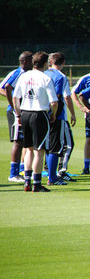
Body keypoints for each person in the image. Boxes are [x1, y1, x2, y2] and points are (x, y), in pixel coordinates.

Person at [13, 52, 58, 192]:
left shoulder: (24, 76)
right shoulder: (46, 78)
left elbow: (15, 98)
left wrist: (19, 114)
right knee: (39, 151)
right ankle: (37, 184)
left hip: (25, 113)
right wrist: (53, 114)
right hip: (39, 115)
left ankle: (27, 182)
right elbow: (54, 102)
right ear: (45, 63)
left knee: (28, 149)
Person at [44, 52, 77, 185]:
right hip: (56, 115)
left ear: (51, 61)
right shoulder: (61, 77)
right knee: (57, 146)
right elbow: (63, 97)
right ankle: (53, 177)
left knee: (44, 146)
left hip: (41, 113)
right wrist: (73, 114)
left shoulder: (44, 73)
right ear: (63, 63)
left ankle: (41, 175)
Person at [1, 51, 33, 183]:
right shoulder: (18, 73)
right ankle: (13, 173)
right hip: (16, 112)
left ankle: (21, 169)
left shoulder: (26, 74)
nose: (33, 62)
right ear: (25, 62)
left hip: (24, 111)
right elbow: (5, 87)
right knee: (18, 141)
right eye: (31, 60)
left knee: (25, 141)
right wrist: (14, 106)